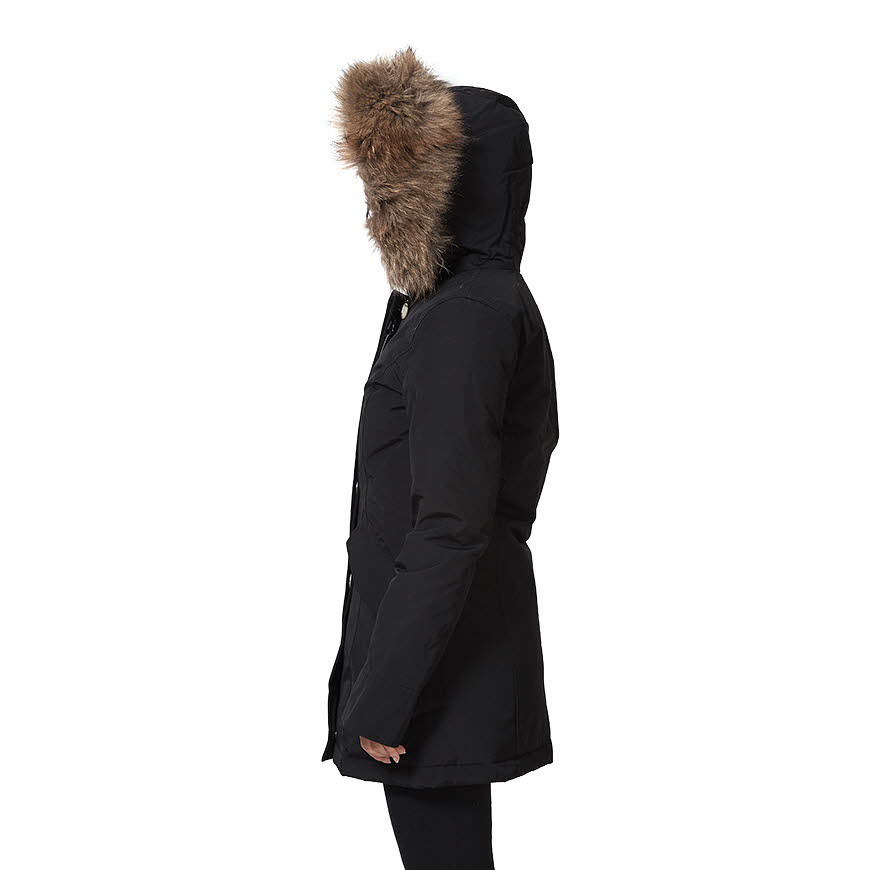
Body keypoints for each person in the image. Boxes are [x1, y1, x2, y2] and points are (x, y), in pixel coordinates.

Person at [322, 48, 559, 870]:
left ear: (453, 185)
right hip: (442, 650)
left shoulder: (467, 316)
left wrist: (386, 695)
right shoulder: (455, 306)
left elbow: (453, 521)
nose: (378, 198)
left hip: (436, 669)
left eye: (399, 176)